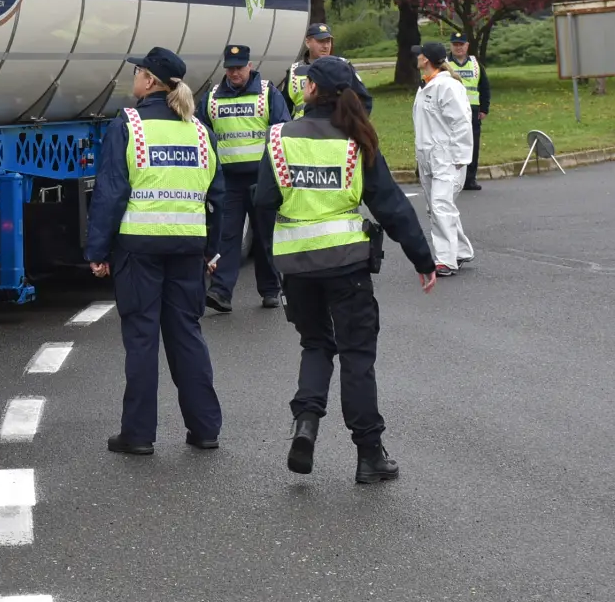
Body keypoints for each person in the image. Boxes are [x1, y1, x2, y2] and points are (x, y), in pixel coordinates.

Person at [253, 56, 437, 482]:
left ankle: (306, 425)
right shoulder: (356, 139)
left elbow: (263, 202)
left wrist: (276, 255)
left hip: (297, 268)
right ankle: (369, 455)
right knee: (356, 355)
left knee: (316, 345)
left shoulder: (280, 138)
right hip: (347, 267)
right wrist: (422, 260)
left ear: (313, 90)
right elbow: (390, 204)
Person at [85, 47, 226, 455]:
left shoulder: (128, 125)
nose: (133, 77)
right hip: (188, 249)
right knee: (187, 336)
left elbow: (112, 192)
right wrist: (210, 250)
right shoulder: (199, 130)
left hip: (139, 250)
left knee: (143, 340)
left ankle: (139, 435)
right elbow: (216, 197)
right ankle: (205, 430)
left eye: (137, 72)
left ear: (149, 81)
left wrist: (97, 251)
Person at [197, 44, 291, 312]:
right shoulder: (213, 96)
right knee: (226, 235)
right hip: (228, 179)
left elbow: (280, 132)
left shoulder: (267, 93)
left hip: (262, 178)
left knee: (265, 234)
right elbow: (201, 132)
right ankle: (220, 292)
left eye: (239, 68)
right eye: (230, 68)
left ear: (250, 66)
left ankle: (271, 289)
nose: (234, 73)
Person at [412, 41, 475, 276]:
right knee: (436, 207)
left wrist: (460, 158)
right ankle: (460, 250)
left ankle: (445, 260)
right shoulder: (425, 86)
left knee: (440, 206)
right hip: (428, 156)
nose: (416, 57)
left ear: (426, 59)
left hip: (446, 157)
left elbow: (461, 123)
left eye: (419, 55)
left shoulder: (447, 87)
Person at [281, 23, 371, 119]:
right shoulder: (294, 71)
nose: (326, 46)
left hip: (335, 128)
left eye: (328, 41)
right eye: (321, 41)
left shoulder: (343, 67)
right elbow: (284, 108)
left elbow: (364, 101)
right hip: (300, 130)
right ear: (307, 42)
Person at [447, 33, 491, 191]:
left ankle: (470, 179)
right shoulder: (444, 64)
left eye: (461, 44)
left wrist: (484, 109)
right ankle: (452, 179)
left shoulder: (474, 63)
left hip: (472, 111)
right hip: (451, 111)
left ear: (467, 46)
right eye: (455, 44)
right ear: (451, 46)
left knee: (472, 145)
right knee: (451, 144)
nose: (458, 47)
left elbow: (484, 86)